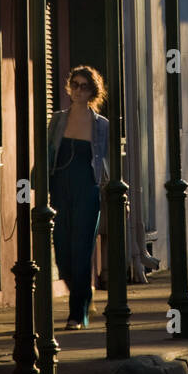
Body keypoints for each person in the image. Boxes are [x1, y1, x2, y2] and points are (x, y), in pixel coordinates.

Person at [47, 65, 109, 330]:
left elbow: (105, 162)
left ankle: (77, 314)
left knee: (81, 250)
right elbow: (47, 151)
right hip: (60, 187)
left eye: (84, 86)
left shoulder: (101, 125)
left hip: (87, 188)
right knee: (61, 251)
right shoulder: (58, 120)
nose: (78, 91)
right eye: (75, 85)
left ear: (92, 91)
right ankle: (85, 293)